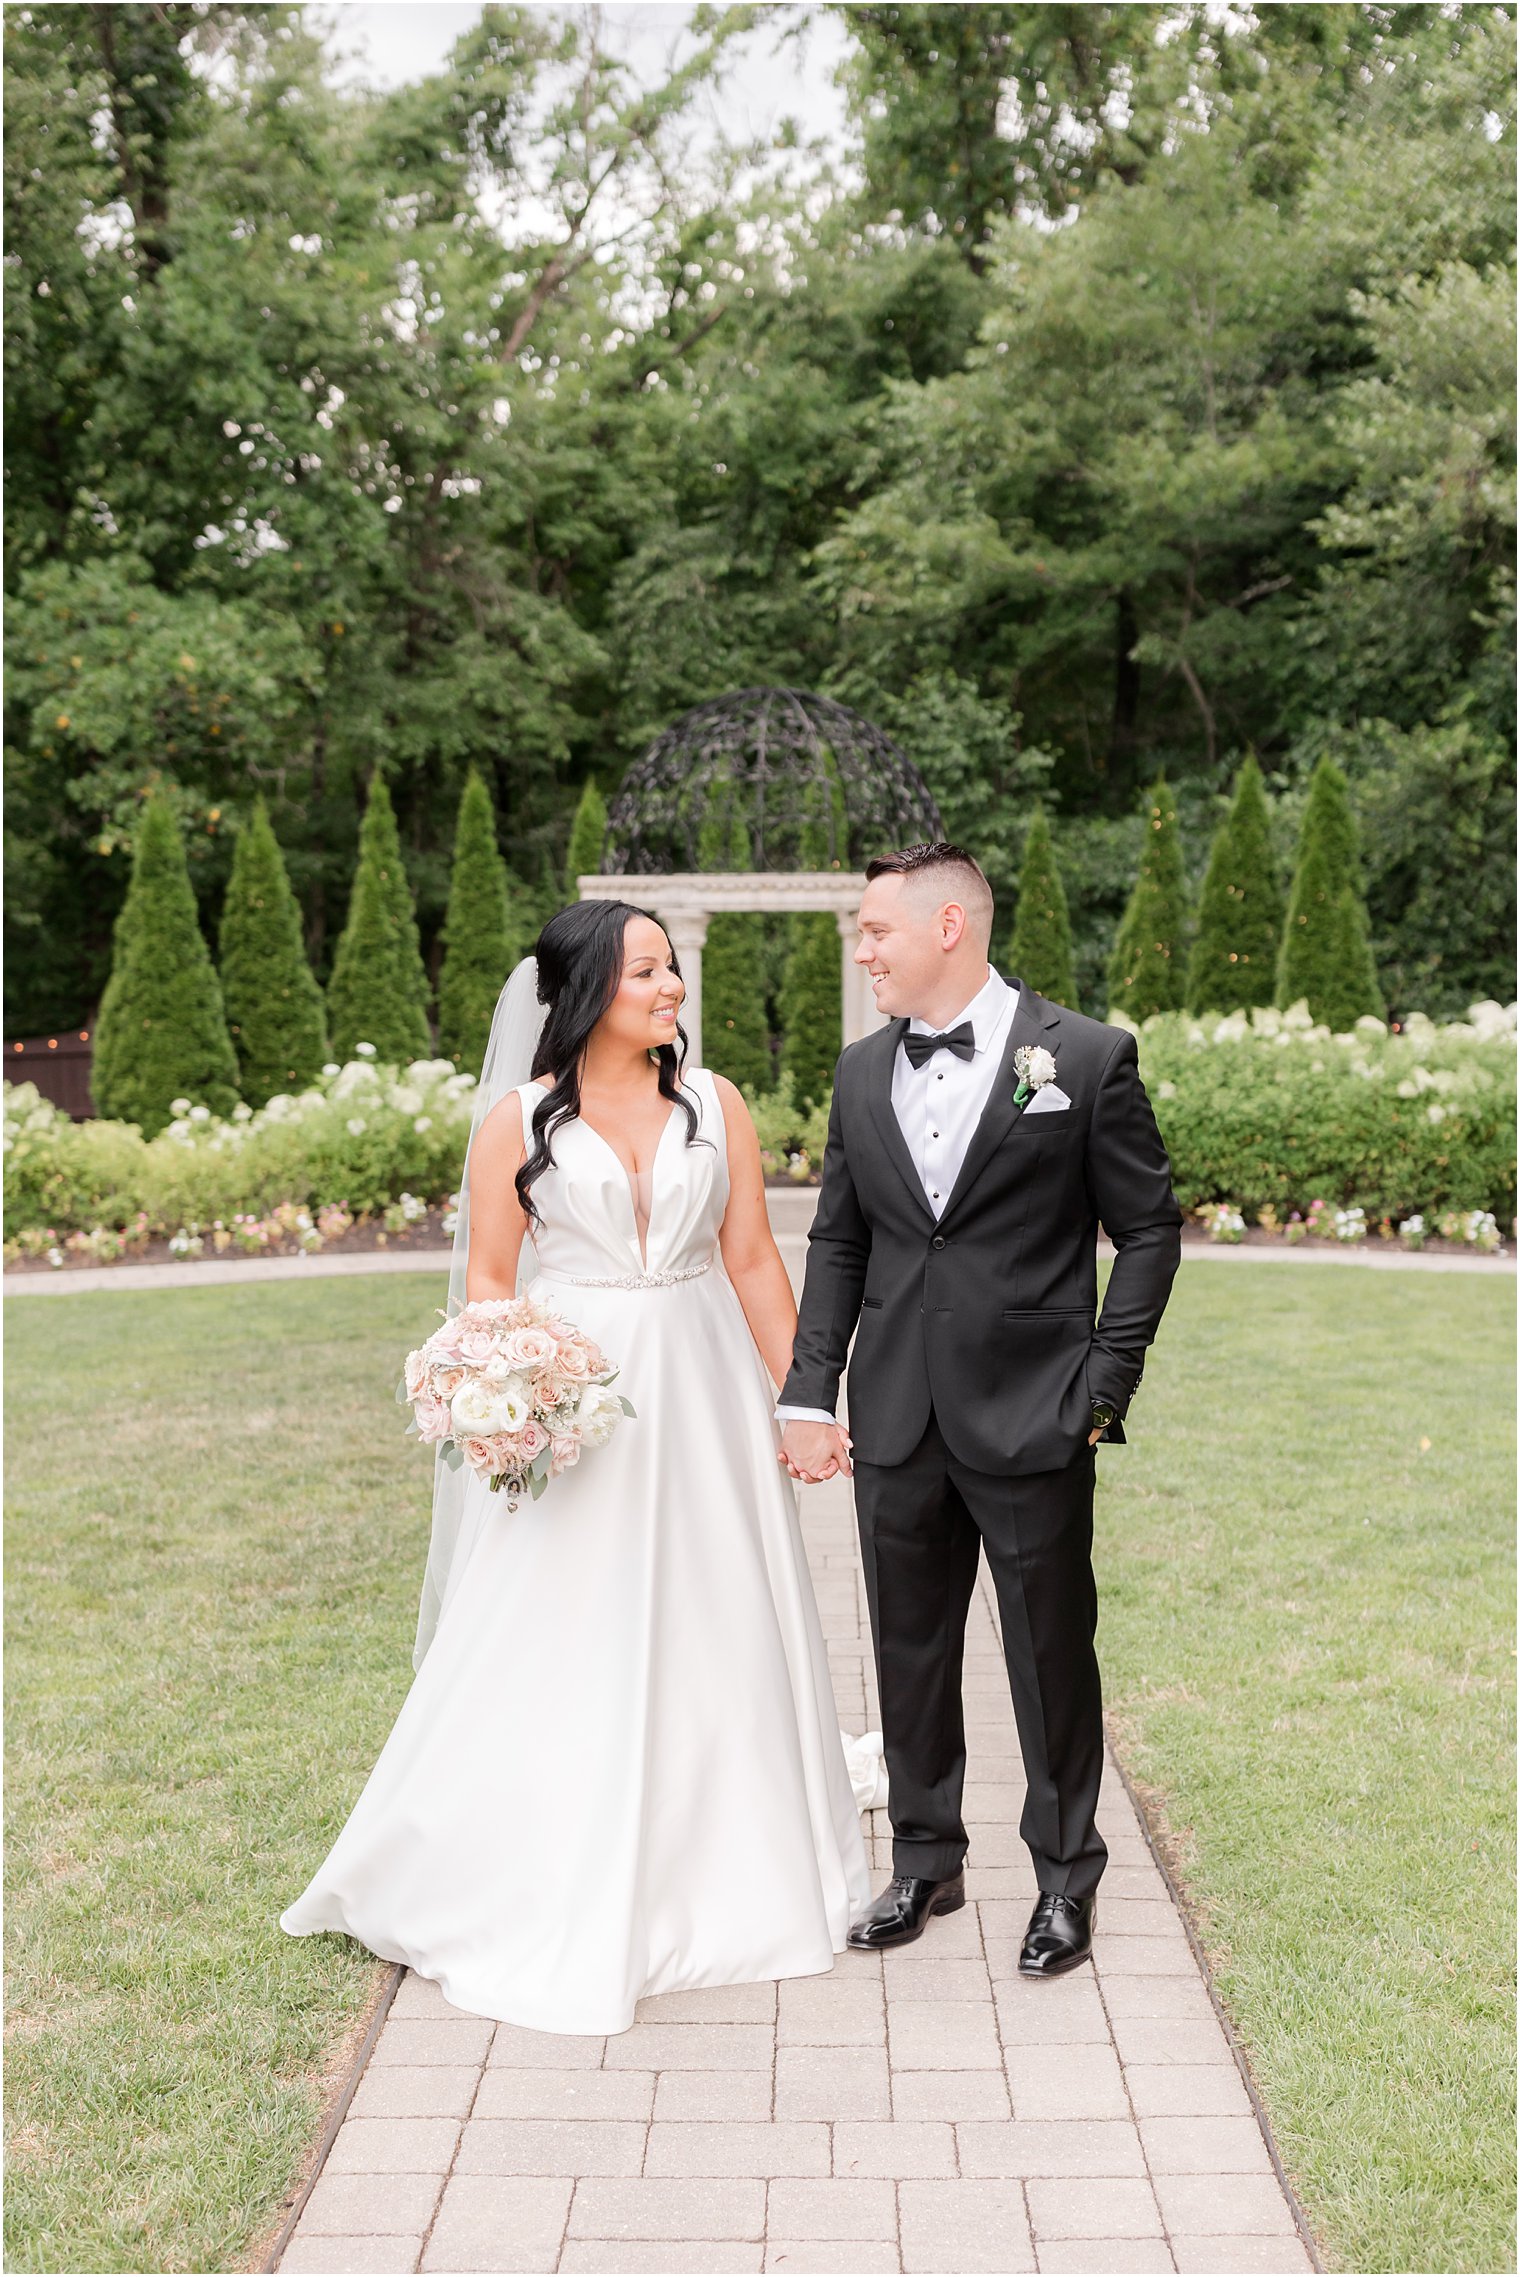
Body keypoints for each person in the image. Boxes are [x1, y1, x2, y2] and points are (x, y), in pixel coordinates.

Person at [280, 899, 871, 2034]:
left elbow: (749, 1256)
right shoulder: (516, 1122)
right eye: (647, 971)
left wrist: (801, 1401)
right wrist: (518, 1394)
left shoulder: (715, 1105)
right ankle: (534, 1854)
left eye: (671, 972)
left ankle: (732, 1853)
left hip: (702, 1387)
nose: (671, 991)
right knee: (569, 1620)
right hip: (583, 1405)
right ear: (590, 987)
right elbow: (491, 1287)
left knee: (720, 1606)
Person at [777, 841, 1181, 1979]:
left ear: (947, 927)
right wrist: (810, 1388)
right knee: (904, 1647)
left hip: (1035, 1411)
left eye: (873, 931)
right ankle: (923, 1862)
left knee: (1049, 1653)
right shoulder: (860, 1073)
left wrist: (1104, 1381)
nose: (861, 949)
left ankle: (1064, 1882)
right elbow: (839, 1239)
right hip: (895, 1409)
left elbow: (1148, 1230)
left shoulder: (1085, 1058)